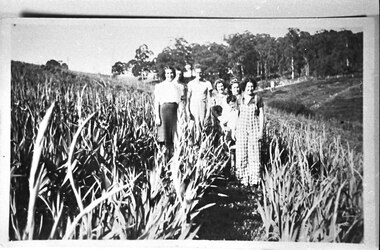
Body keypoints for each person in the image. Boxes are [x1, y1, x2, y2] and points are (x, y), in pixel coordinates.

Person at [235, 78, 265, 186]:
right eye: (248, 86)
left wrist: (261, 131)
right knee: (241, 153)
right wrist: (235, 129)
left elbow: (261, 115)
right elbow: (236, 115)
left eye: (252, 86)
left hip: (254, 128)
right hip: (241, 128)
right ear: (244, 87)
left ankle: (254, 180)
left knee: (254, 153)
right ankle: (242, 179)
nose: (250, 88)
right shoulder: (239, 99)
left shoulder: (257, 99)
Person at [154, 66, 182, 160]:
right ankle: (163, 159)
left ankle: (173, 158)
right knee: (163, 136)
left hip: (175, 111)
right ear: (164, 74)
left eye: (171, 73)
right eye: (167, 73)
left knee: (174, 136)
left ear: (174, 74)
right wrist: (157, 117)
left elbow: (180, 101)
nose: (169, 75)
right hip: (164, 111)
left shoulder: (178, 86)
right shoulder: (160, 86)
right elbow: (157, 102)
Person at [187, 64, 213, 144]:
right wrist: (188, 111)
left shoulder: (207, 83)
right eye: (197, 72)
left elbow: (209, 99)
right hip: (193, 108)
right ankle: (193, 147)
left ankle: (203, 148)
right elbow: (188, 98)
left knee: (203, 128)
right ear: (194, 73)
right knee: (193, 127)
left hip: (203, 108)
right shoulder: (190, 84)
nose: (199, 74)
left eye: (201, 72)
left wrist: (208, 112)